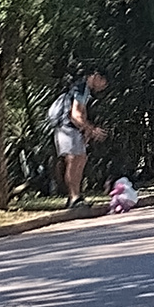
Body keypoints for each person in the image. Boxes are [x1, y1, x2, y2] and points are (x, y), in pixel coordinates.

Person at [49, 67, 109, 209]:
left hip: (74, 130)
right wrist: (92, 130)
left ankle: (76, 196)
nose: (103, 87)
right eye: (103, 82)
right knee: (73, 161)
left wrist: (86, 131)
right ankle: (73, 197)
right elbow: (75, 115)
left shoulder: (84, 89)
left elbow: (82, 112)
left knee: (80, 159)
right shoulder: (80, 87)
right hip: (67, 128)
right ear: (96, 76)